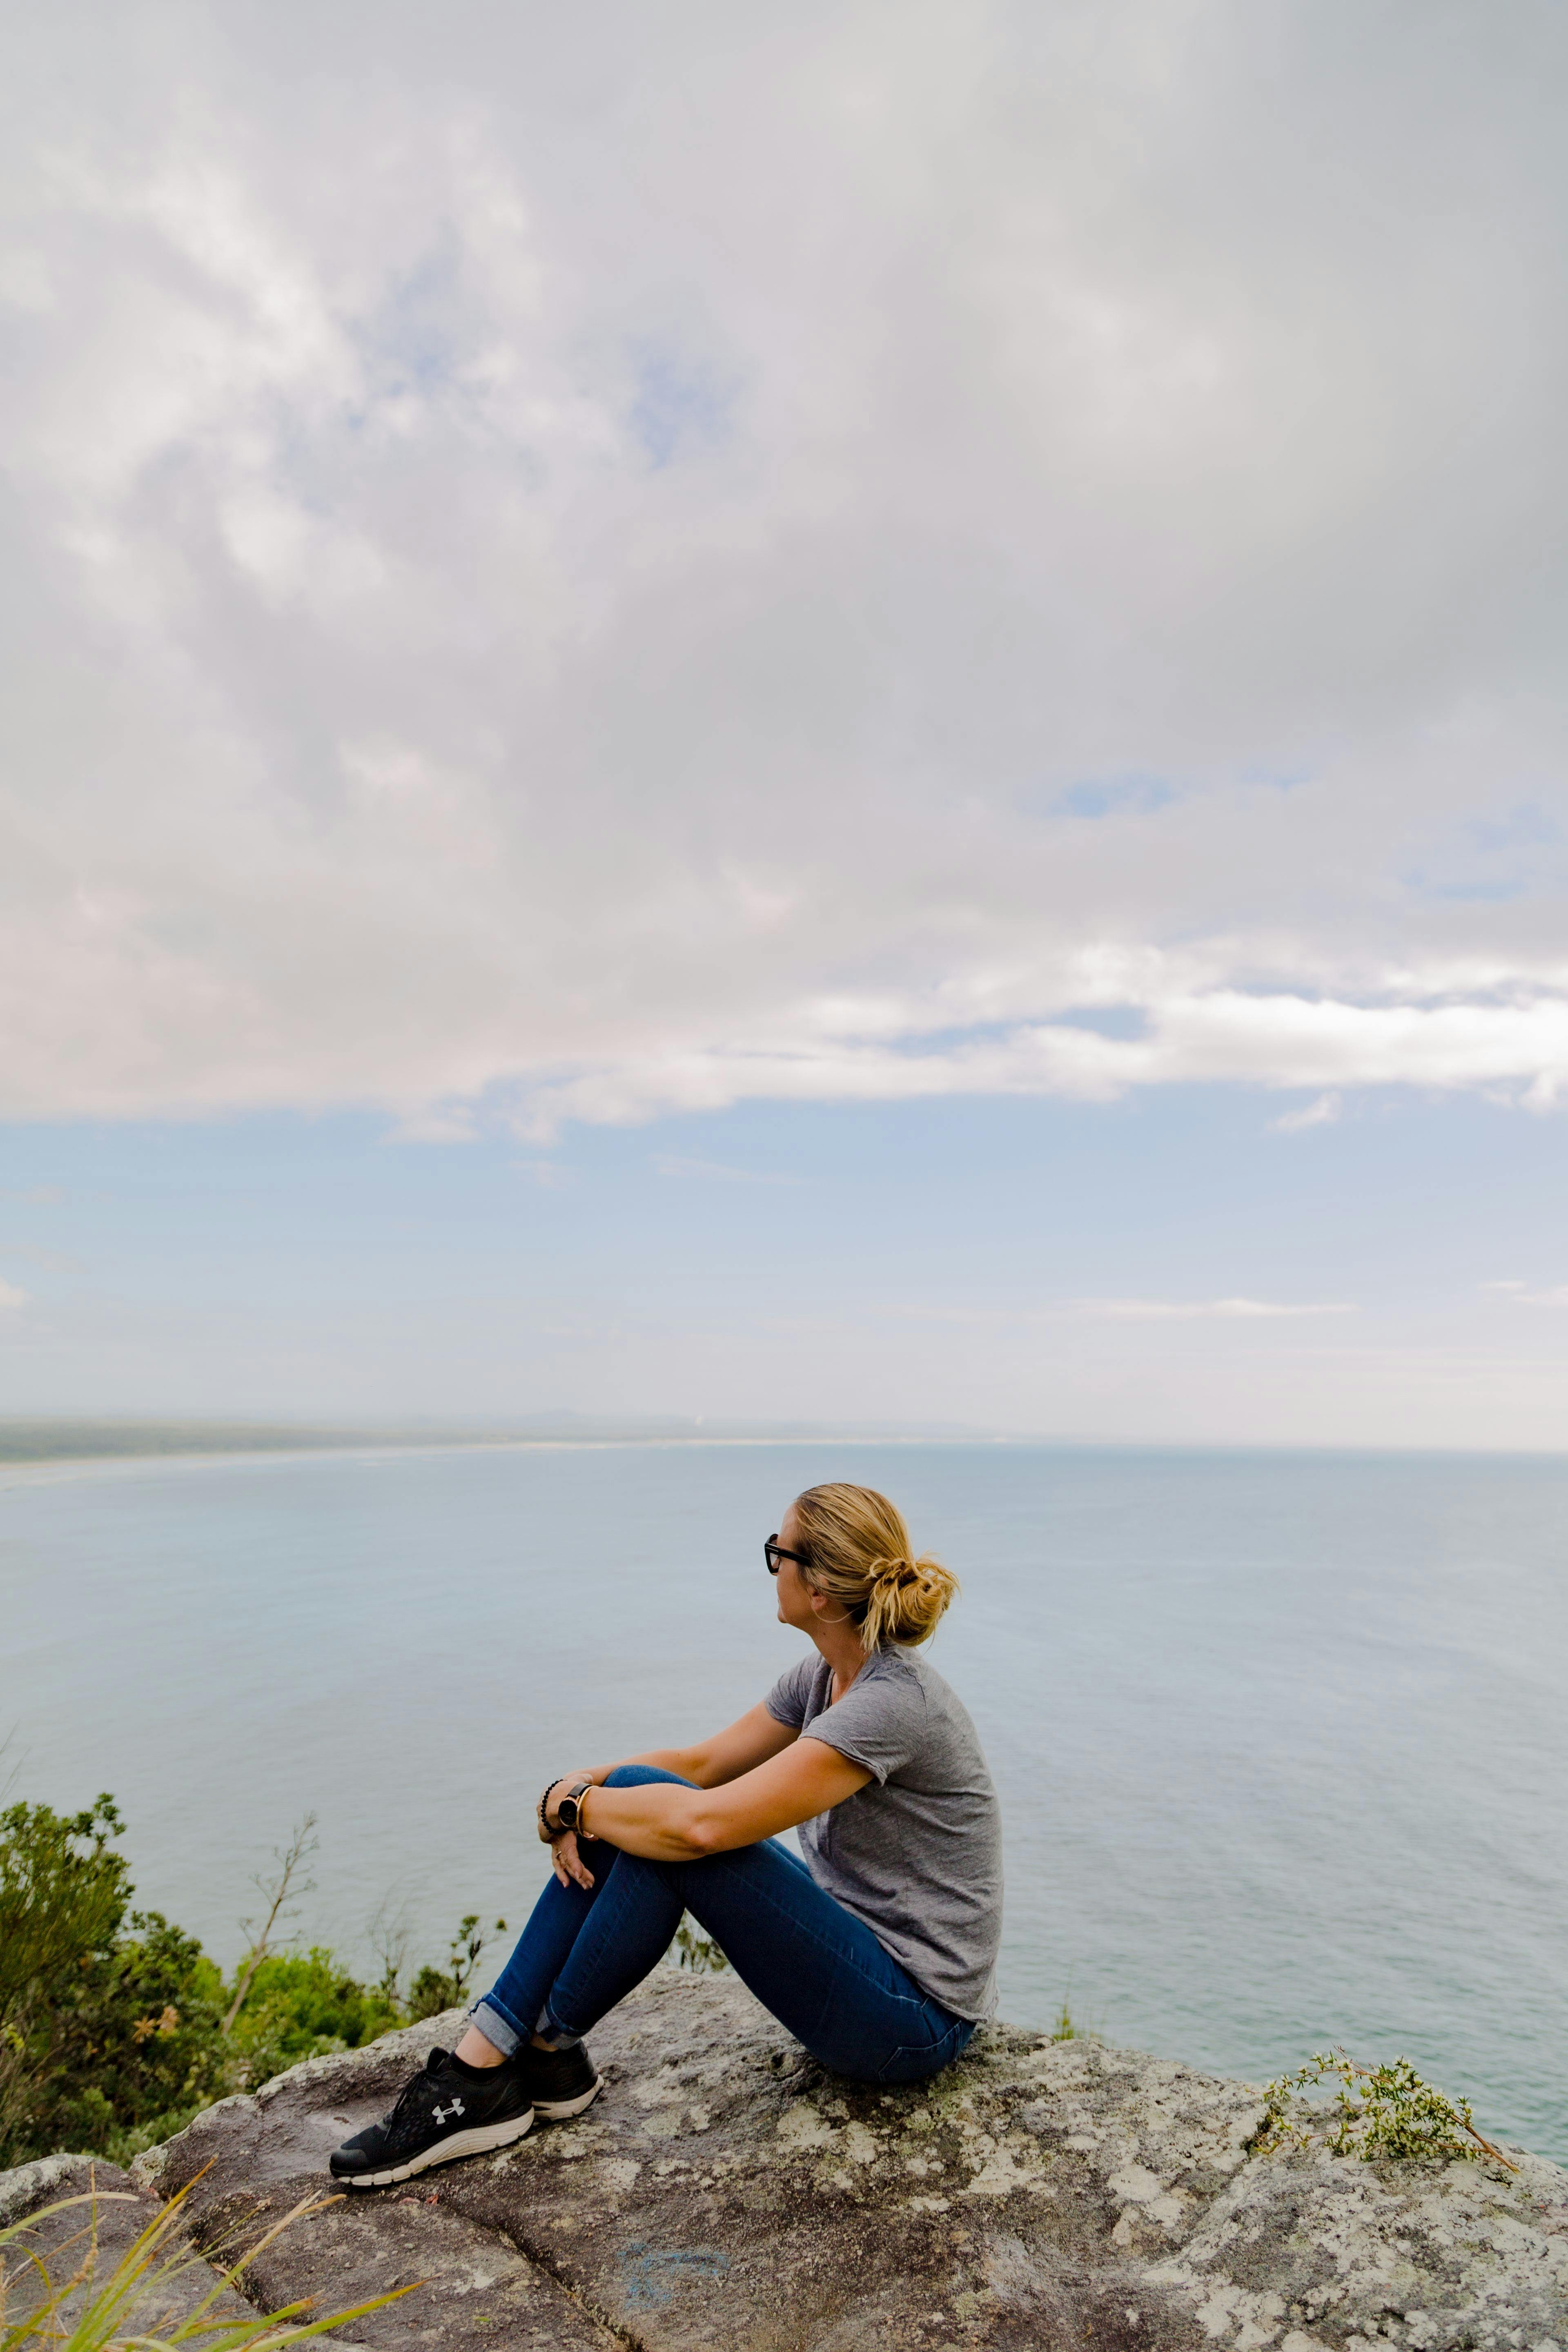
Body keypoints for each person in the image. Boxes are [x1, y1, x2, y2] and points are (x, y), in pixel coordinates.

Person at [330, 1481, 1003, 2188]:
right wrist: (571, 1789)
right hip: (863, 1959)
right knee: (640, 1806)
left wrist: (582, 1810)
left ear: (823, 1594)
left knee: (671, 1835)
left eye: (781, 1553)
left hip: (914, 2021)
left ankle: (495, 2064)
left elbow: (702, 1823)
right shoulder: (825, 1675)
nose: (772, 1565)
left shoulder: (893, 1705)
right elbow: (701, 1766)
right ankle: (532, 2057)